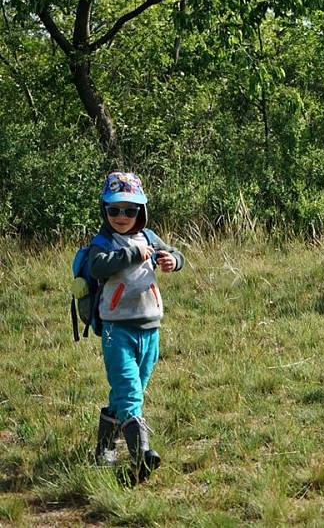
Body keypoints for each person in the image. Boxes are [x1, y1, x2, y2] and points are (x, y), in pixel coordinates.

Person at [89, 171, 185, 482]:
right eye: (114, 210)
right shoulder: (103, 241)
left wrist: (173, 261)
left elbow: (175, 253)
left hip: (150, 328)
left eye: (129, 210)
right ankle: (141, 455)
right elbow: (97, 265)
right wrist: (130, 253)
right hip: (116, 330)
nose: (121, 216)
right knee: (130, 393)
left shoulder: (149, 236)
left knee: (131, 391)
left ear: (140, 212)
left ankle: (104, 449)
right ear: (105, 210)